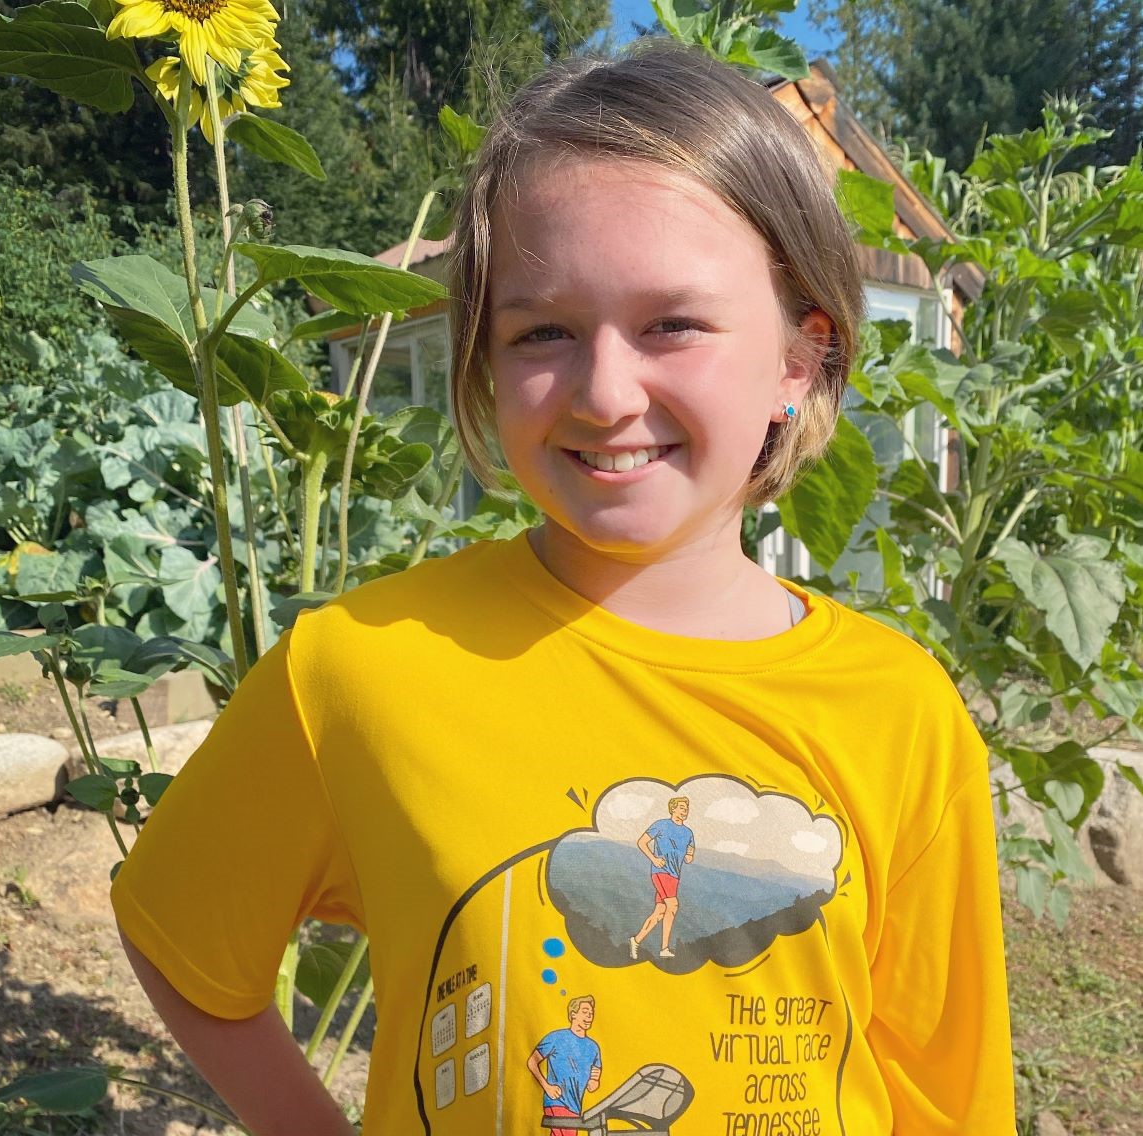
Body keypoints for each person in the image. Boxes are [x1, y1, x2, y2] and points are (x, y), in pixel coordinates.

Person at [110, 42, 1016, 1136]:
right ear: (484, 365)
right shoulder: (357, 666)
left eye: (671, 323)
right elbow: (180, 934)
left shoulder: (901, 712)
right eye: (541, 331)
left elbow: (940, 1092)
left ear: (798, 357)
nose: (602, 391)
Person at [630, 796, 694, 959]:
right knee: (673, 905)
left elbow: (691, 850)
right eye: (681, 807)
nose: (685, 811)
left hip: (674, 876)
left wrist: (689, 857)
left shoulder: (688, 832)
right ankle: (664, 948)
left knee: (660, 912)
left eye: (686, 808)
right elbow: (641, 842)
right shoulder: (661, 825)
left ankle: (636, 941)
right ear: (673, 809)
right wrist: (654, 859)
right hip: (661, 872)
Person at [526, 996, 601, 1134]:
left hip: (575, 1107)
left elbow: (595, 1074)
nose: (589, 1016)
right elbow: (532, 1061)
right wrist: (547, 1087)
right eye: (585, 1011)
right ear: (573, 1014)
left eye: (591, 1013)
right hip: (557, 1101)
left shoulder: (593, 1047)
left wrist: (594, 1081)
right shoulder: (556, 1037)